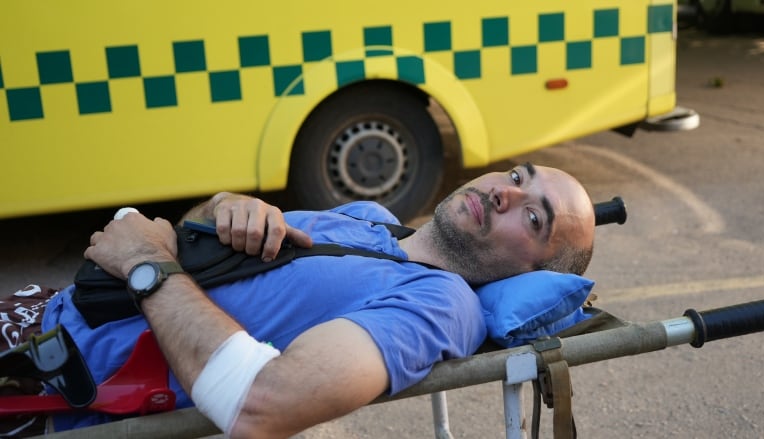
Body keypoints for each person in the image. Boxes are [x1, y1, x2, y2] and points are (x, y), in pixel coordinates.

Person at [1, 162, 595, 438]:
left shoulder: (441, 307)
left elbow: (264, 405)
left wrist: (144, 265)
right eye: (518, 178)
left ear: (531, 268)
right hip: (33, 315)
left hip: (44, 394)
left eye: (534, 216)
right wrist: (221, 208)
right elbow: (199, 247)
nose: (504, 195)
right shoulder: (372, 219)